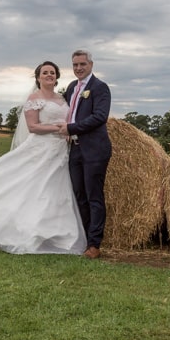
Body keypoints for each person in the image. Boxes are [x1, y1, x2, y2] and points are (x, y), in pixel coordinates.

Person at [0, 61, 86, 254]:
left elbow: (69, 120)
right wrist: (59, 129)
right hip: (41, 148)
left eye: (52, 72)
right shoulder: (34, 98)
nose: (49, 75)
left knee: (55, 191)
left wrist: (68, 131)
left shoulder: (63, 98)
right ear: (38, 77)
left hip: (61, 151)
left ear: (57, 77)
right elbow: (33, 127)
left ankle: (56, 235)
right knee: (33, 189)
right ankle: (22, 231)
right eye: (45, 72)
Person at [58, 50, 112, 259]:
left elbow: (100, 116)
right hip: (75, 150)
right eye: (75, 65)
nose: (78, 68)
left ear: (91, 64)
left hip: (95, 150)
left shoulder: (100, 88)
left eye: (82, 64)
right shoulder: (72, 87)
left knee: (93, 196)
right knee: (79, 196)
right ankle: (83, 239)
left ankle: (94, 244)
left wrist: (71, 129)